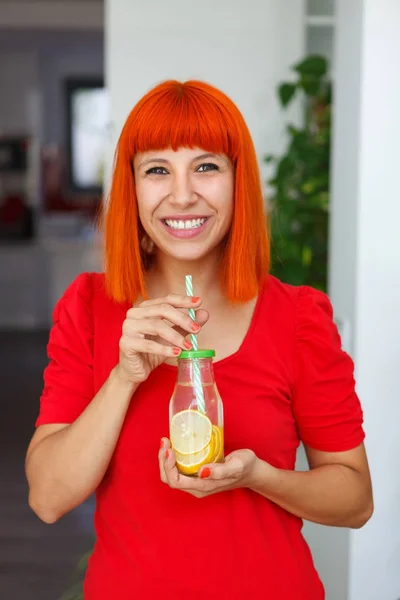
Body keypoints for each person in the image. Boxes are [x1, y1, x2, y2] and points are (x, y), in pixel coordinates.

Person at [26, 80, 373, 599]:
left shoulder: (298, 318)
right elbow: (49, 498)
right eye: (157, 169)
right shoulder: (91, 309)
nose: (182, 193)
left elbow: (355, 500)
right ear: (133, 188)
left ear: (238, 181)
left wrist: (259, 476)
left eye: (206, 166)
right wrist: (124, 377)